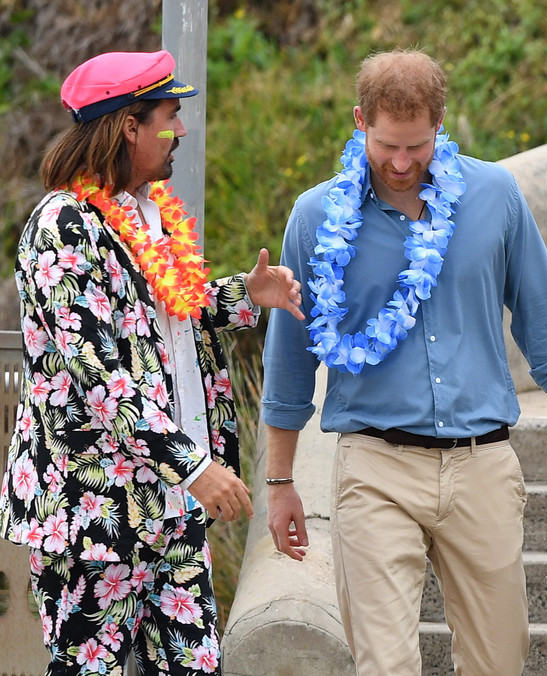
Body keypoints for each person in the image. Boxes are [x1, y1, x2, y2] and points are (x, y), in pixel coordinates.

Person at [259, 48, 547, 676]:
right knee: (384, 666)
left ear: (441, 126)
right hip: (375, 466)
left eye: (416, 147)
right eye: (387, 144)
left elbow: (544, 324)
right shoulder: (315, 218)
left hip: (482, 463)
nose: (400, 163)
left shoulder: (494, 195)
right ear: (359, 120)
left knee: (500, 660)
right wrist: (280, 483)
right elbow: (289, 362)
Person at [0, 50, 304, 675]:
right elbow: (99, 375)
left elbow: (163, 317)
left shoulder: (150, 210)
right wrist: (195, 468)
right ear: (127, 126)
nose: (182, 131)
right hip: (94, 512)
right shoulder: (63, 225)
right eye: (171, 116)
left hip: (172, 506)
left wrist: (243, 296)